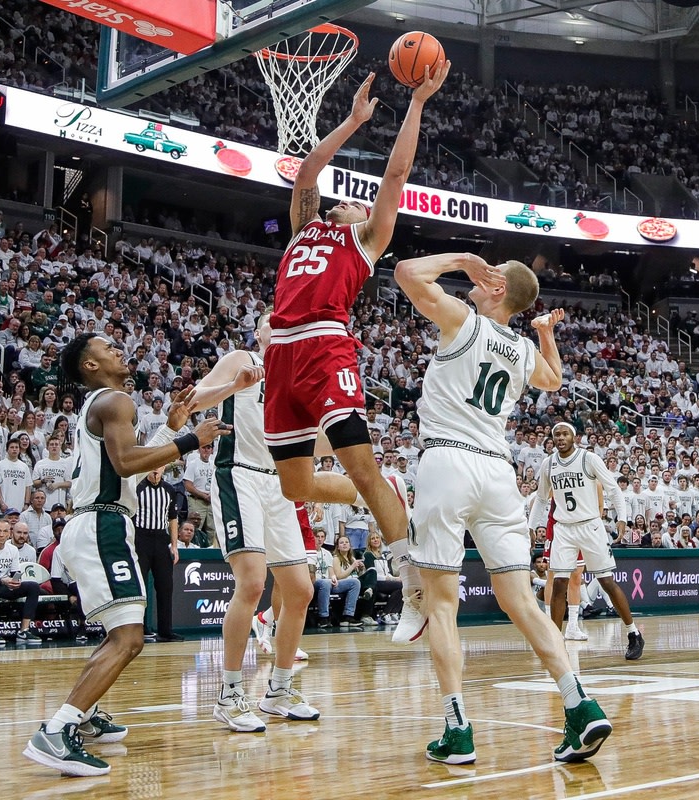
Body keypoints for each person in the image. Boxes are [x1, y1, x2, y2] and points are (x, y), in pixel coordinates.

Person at [394, 249, 610, 765]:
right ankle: (579, 704)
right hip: (497, 474)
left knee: (442, 604)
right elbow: (554, 379)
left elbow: (405, 272)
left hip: (447, 462)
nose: (481, 275)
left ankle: (457, 728)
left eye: (491, 272)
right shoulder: (519, 348)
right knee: (521, 600)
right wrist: (545, 332)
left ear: (495, 289)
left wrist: (463, 259)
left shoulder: (464, 320)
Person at [262, 63, 450, 648]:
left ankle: (411, 580)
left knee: (361, 469)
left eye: (352, 203)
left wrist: (416, 103)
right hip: (281, 360)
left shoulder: (365, 240)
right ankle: (386, 490)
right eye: (338, 201)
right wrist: (350, 121)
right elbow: (307, 173)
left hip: (325, 347)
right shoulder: (301, 228)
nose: (343, 202)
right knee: (295, 487)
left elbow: (395, 174)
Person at [23, 333, 226, 777]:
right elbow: (126, 465)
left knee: (120, 632)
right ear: (89, 365)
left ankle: (86, 714)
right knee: (130, 638)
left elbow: (134, 464)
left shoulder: (105, 403)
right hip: (103, 524)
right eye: (106, 347)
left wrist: (171, 428)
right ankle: (57, 732)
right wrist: (192, 440)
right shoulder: (115, 400)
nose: (118, 349)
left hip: (96, 523)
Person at [184, 322, 319, 733]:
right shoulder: (242, 360)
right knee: (252, 584)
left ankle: (278, 689)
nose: (280, 328)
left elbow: (308, 441)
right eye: (270, 324)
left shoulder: (294, 378)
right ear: (258, 335)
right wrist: (235, 384)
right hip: (237, 473)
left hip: (279, 483)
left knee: (299, 589)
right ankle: (228, 694)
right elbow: (191, 402)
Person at [529, 421, 642, 660]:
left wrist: (622, 517)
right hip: (564, 529)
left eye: (564, 434)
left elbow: (613, 488)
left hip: (591, 526)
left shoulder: (588, 459)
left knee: (607, 582)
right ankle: (555, 640)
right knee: (559, 583)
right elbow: (540, 499)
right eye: (556, 434)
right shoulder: (548, 464)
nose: (560, 438)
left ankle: (633, 633)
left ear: (574, 436)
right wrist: (530, 526)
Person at [133, 468, 181, 642]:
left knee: (165, 586)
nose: (155, 470)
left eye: (159, 466)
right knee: (140, 586)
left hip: (161, 538)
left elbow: (173, 518)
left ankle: (165, 630)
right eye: (153, 466)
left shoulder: (169, 490)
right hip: (140, 537)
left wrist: (174, 545)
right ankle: (140, 628)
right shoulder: (137, 487)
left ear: (163, 469)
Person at [0, 517, 42, 643]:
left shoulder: (13, 549)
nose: (1, 535)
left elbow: (16, 572)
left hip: (6, 585)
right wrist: (2, 580)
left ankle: (24, 630)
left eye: (5, 531)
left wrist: (15, 581)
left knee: (33, 586)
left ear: (9, 534)